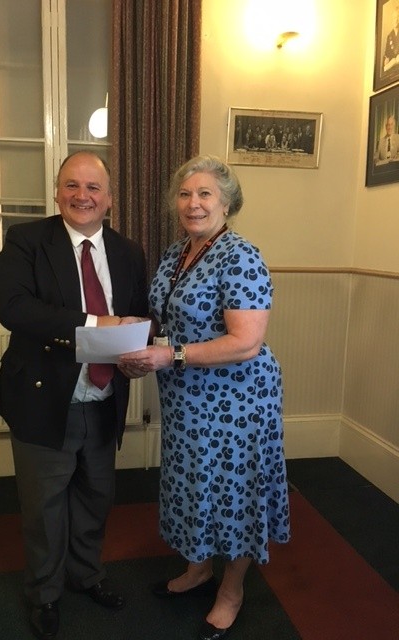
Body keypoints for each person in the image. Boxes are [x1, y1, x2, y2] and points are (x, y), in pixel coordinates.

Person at [119, 155, 290, 640]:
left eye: (205, 194)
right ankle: (198, 569)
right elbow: (172, 319)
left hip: (237, 401)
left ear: (228, 202)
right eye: (185, 194)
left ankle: (232, 590)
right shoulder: (178, 252)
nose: (193, 204)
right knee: (195, 484)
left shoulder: (241, 256)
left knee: (233, 492)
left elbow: (245, 342)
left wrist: (166, 354)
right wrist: (135, 340)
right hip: (188, 398)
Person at [0, 151, 148, 640]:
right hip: (44, 399)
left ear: (110, 199)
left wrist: (137, 348)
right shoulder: (26, 241)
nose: (83, 196)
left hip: (104, 399)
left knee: (95, 499)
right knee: (44, 508)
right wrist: (96, 324)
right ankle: (44, 594)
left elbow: (140, 315)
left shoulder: (129, 252)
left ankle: (86, 576)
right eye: (72, 186)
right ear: (57, 192)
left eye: (94, 188)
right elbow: (14, 308)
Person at [383, 4, 399, 74]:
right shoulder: (389, 36)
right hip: (391, 69)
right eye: (394, 17)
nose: (396, 20)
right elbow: (387, 55)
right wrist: (387, 61)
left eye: (398, 17)